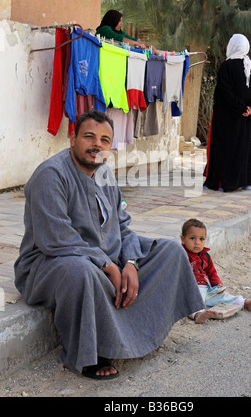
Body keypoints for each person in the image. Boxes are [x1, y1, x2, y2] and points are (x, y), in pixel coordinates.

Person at [14, 110, 204, 380]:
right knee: (82, 272)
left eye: (105, 140)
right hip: (50, 264)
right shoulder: (51, 175)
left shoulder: (104, 173)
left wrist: (129, 262)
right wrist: (107, 265)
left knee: (170, 251)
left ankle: (141, 331)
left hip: (105, 259)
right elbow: (55, 238)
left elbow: (122, 226)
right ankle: (93, 353)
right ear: (72, 138)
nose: (97, 146)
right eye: (89, 137)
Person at [204, 33, 251, 192]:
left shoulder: (226, 66)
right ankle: (244, 182)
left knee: (225, 148)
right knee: (242, 149)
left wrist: (241, 108)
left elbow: (225, 92)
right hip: (246, 120)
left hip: (228, 118)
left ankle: (224, 183)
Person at [181, 219, 251, 324]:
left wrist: (217, 284)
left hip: (207, 288)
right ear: (183, 239)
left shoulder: (205, 256)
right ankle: (198, 315)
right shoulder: (181, 254)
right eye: (192, 238)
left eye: (201, 239)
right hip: (191, 288)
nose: (197, 242)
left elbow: (211, 272)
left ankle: (244, 303)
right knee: (194, 302)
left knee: (223, 296)